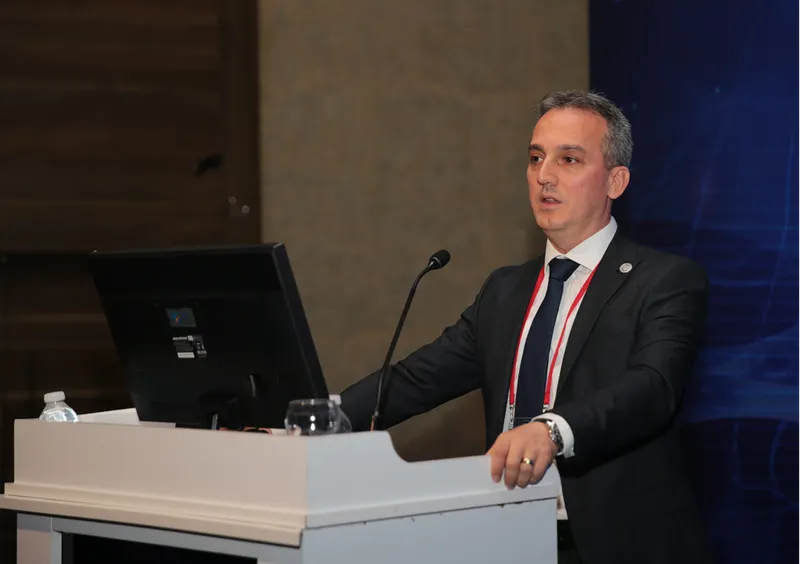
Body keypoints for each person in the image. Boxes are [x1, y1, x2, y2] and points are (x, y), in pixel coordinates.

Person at [339, 90, 714, 564]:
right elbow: (416, 380)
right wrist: (314, 420)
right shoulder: (505, 290)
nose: (544, 176)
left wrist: (552, 430)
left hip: (617, 544)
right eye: (536, 158)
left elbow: (653, 388)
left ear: (615, 181)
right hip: (510, 538)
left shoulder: (664, 280)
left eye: (569, 159)